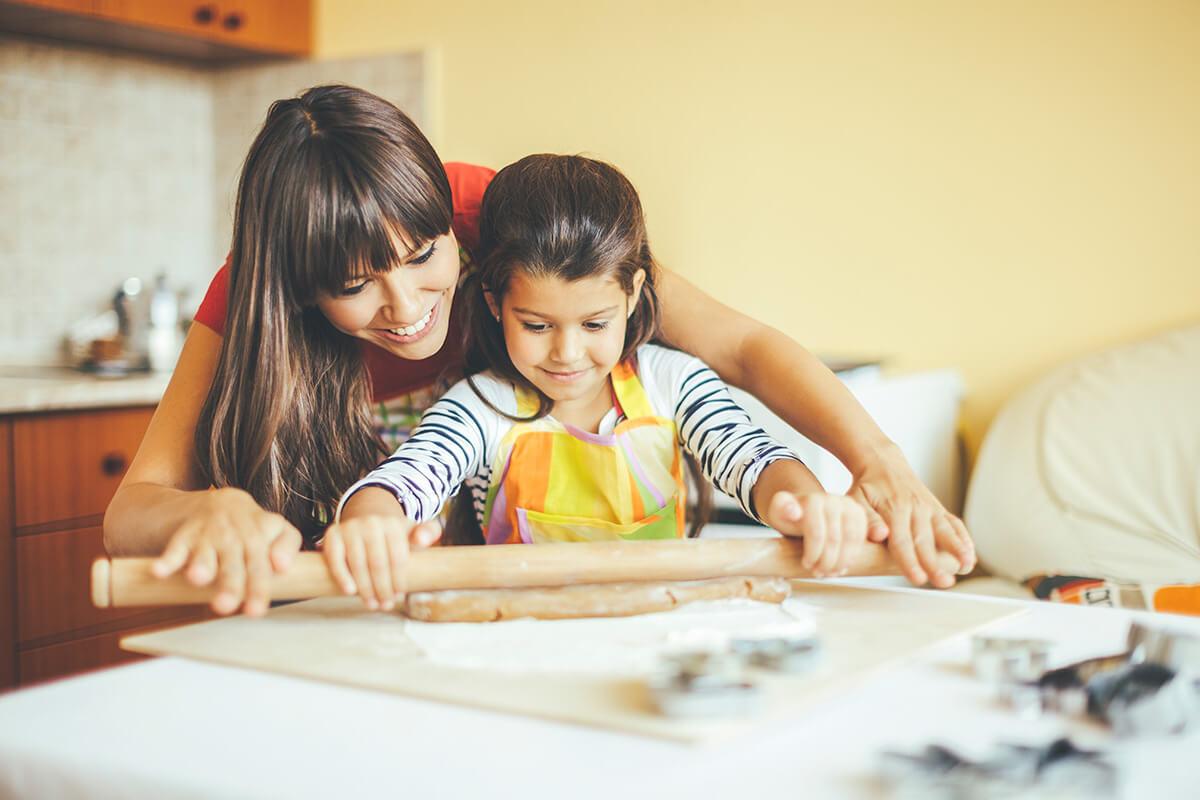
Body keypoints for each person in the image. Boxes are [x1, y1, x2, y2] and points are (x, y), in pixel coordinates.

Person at [103, 85, 974, 617]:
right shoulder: (249, 300)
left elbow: (739, 351)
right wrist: (203, 510)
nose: (406, 310)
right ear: (294, 286)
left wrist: (873, 466)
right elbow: (133, 507)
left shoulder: (503, 221)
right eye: (355, 287)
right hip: (370, 591)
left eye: (423, 259)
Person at [324, 155, 870, 608]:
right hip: (517, 642)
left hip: (661, 634)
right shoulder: (479, 406)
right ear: (495, 304)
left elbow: (751, 458)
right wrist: (371, 522)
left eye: (594, 324)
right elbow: (407, 479)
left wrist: (804, 503)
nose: (567, 353)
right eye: (536, 326)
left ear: (632, 295)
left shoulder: (673, 383)